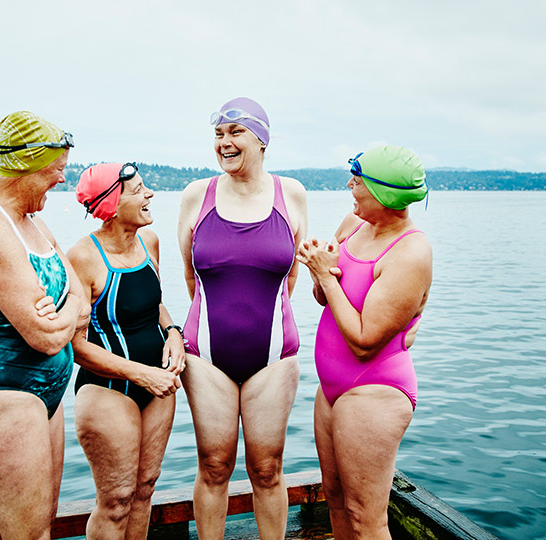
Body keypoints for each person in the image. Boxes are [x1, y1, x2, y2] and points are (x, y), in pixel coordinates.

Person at [0, 111, 88, 540]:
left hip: (48, 396)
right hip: (8, 398)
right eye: (56, 170)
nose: (62, 181)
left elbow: (81, 296)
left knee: (45, 527)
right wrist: (69, 315)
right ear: (26, 166)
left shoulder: (33, 222)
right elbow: (45, 337)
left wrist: (66, 312)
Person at [176, 97, 308, 539]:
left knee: (268, 467)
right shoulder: (199, 195)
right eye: (218, 134)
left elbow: (288, 276)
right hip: (207, 355)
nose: (225, 143)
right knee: (213, 465)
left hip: (273, 354)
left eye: (235, 133)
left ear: (261, 140)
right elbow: (191, 276)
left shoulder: (291, 194)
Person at [296, 145, 432, 539]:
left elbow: (363, 341)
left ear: (385, 194)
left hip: (374, 391)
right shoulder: (353, 225)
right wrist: (318, 270)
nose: (350, 188)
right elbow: (327, 299)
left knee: (366, 519)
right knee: (335, 501)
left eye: (357, 183)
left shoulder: (411, 252)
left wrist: (325, 275)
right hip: (332, 389)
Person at [67, 162, 185, 539]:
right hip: (107, 390)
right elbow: (75, 345)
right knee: (116, 499)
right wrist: (141, 373)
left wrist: (173, 333)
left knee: (146, 487)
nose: (149, 194)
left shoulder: (149, 243)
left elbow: (154, 305)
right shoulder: (82, 258)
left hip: (159, 385)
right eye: (138, 190)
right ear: (113, 204)